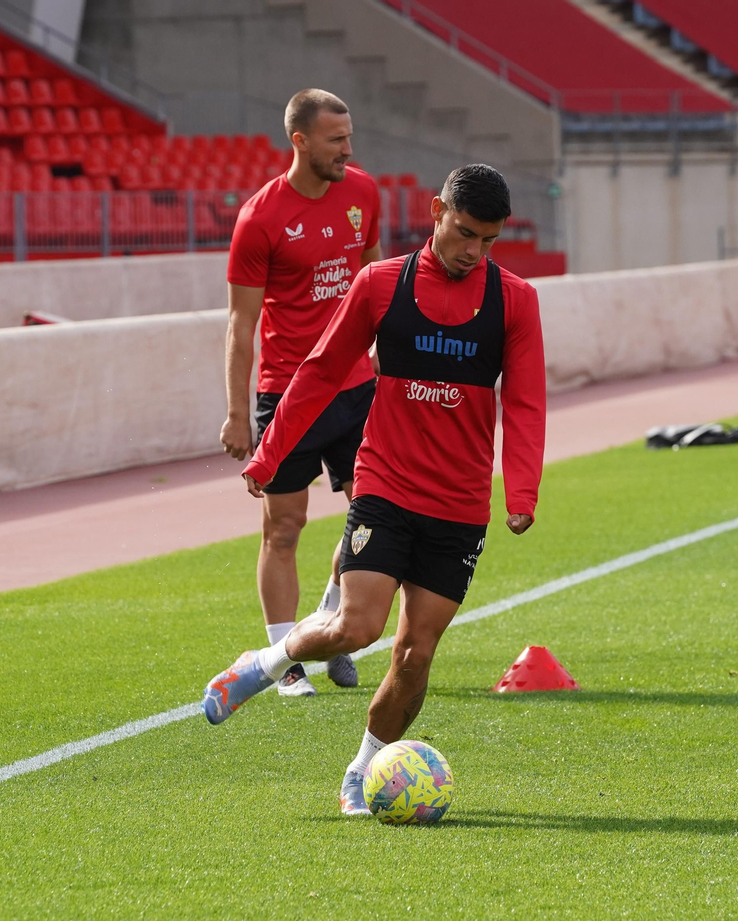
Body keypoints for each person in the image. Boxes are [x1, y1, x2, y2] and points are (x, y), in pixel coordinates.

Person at [202, 164, 547, 816]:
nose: (474, 251)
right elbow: (320, 371)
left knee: (416, 655)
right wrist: (269, 455)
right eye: (466, 232)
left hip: (461, 503)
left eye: (489, 240)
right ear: (437, 209)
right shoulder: (380, 284)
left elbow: (527, 402)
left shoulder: (516, 301)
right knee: (358, 626)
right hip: (387, 483)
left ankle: (362, 771)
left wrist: (521, 492)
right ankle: (267, 661)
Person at [221, 89, 383, 696]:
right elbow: (241, 324)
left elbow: (374, 281)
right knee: (284, 527)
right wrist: (239, 414)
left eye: (349, 136)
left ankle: (333, 611)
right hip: (287, 394)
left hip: (357, 387)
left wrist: (388, 368)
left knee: (372, 513)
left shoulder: (362, 192)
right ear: (301, 141)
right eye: (337, 139)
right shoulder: (260, 218)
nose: (348, 148)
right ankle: (284, 658)